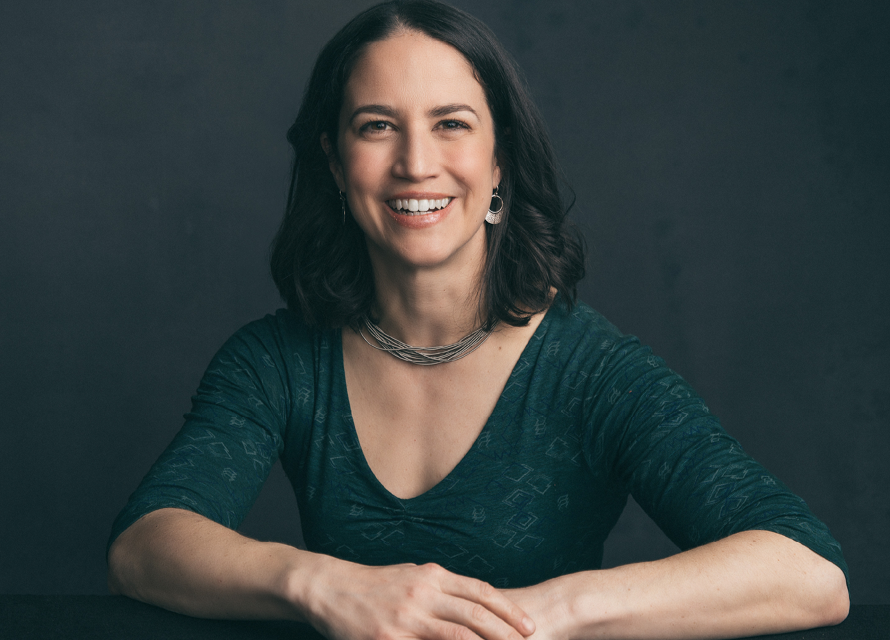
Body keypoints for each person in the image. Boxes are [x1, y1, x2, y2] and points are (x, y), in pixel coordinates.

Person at [107, 2, 849, 638]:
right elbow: (144, 545)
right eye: (377, 126)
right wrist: (322, 585)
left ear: (500, 161)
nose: (416, 163)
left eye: (452, 123)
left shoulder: (594, 373)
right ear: (335, 163)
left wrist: (537, 616)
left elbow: (810, 573)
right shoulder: (276, 360)